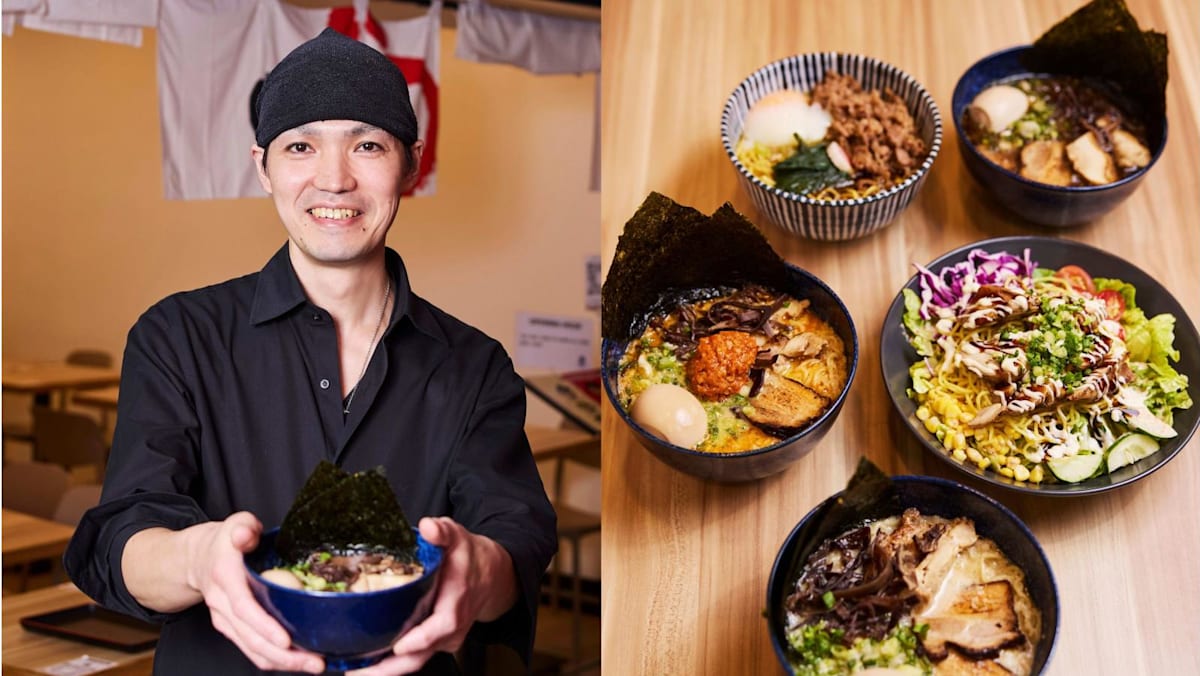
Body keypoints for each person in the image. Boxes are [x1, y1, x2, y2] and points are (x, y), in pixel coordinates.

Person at [65, 28, 557, 676]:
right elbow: (125, 533)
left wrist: (478, 567)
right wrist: (200, 558)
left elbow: (514, 543)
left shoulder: (474, 366)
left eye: (367, 145)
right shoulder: (177, 336)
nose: (334, 178)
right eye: (301, 146)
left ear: (410, 163)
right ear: (262, 164)